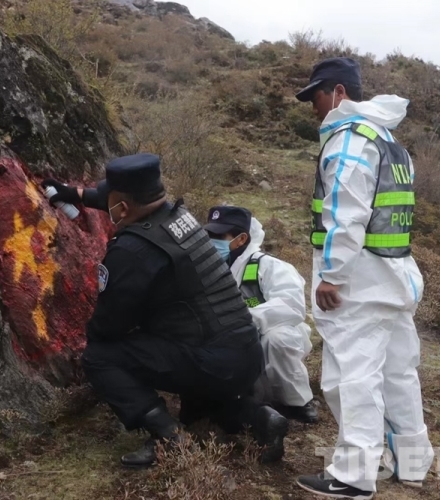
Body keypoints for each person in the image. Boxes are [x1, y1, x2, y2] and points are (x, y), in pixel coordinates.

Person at [41, 153, 288, 468]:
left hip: (211, 362)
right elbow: (118, 198)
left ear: (123, 207)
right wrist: (75, 194)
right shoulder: (179, 217)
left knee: (100, 356)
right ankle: (261, 419)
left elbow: (107, 327)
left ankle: (167, 437)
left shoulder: (132, 251)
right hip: (246, 354)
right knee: (197, 411)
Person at [292, 57, 434, 499]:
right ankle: (412, 464)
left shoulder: (349, 142)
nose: (314, 107)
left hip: (360, 283)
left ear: (338, 92)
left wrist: (331, 276)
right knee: (398, 374)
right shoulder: (389, 141)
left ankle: (353, 477)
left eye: (316, 96)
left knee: (352, 377)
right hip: (394, 276)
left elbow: (346, 215)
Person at [204, 206, 318, 424]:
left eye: (219, 236)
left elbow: (291, 305)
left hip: (269, 334)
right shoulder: (208, 269)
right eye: (209, 235)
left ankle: (296, 402)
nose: (211, 241)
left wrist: (246, 319)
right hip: (227, 340)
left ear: (241, 239)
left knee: (277, 340)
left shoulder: (268, 266)